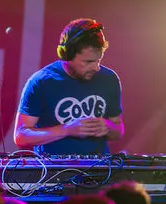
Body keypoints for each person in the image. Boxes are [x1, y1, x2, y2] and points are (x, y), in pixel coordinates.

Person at [14, 18, 124, 155]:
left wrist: (108, 127)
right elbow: (21, 136)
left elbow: (118, 130)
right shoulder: (41, 82)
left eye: (98, 60)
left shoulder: (109, 79)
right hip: (53, 167)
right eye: (88, 62)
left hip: (99, 167)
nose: (96, 68)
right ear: (66, 55)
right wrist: (66, 130)